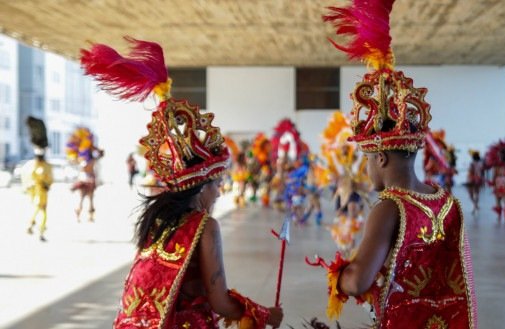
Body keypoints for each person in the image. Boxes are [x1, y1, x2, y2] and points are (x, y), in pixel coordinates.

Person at [81, 37, 282, 328]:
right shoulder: (205, 226)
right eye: (217, 183)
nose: (220, 190)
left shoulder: (158, 218)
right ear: (201, 186)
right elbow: (219, 301)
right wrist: (263, 314)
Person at [311, 1, 477, 327]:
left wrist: (338, 277)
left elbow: (359, 281)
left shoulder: (389, 208)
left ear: (381, 157)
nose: (366, 169)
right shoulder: (445, 201)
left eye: (368, 160)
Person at [23, 116, 53, 242]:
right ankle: (38, 229)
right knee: (43, 211)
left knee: (38, 210)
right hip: (40, 192)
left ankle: (32, 225)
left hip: (38, 192)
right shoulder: (42, 166)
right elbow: (46, 178)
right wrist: (45, 184)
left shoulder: (32, 165)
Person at [466, 150, 484, 214]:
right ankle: (475, 205)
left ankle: (475, 205)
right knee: (477, 193)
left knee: (471, 194)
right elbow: (482, 172)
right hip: (478, 179)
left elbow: (470, 171)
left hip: (472, 179)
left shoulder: (472, 163)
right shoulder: (481, 163)